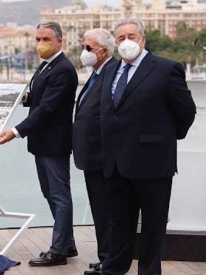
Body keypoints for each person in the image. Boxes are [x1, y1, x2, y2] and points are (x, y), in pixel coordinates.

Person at [99, 18, 196, 275]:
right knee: (119, 223)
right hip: (116, 162)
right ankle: (113, 269)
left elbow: (186, 111)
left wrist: (162, 139)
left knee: (153, 224)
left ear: (142, 39)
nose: (126, 41)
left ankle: (149, 272)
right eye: (120, 38)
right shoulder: (111, 70)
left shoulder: (165, 69)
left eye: (131, 36)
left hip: (152, 163)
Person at [0, 21, 78, 266]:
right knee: (50, 193)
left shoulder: (62, 69)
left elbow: (47, 108)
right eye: (38, 39)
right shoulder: (46, 67)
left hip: (54, 143)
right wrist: (16, 95)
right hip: (42, 143)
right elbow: (35, 98)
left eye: (46, 40)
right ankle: (67, 243)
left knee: (59, 195)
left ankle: (59, 251)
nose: (41, 44)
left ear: (60, 42)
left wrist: (16, 130)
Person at [72, 28, 116, 275]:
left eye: (88, 48)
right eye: (83, 46)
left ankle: (109, 260)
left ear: (104, 51)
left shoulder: (112, 73)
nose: (84, 52)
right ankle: (105, 257)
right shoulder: (97, 74)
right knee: (101, 210)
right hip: (92, 156)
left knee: (106, 210)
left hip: (103, 157)